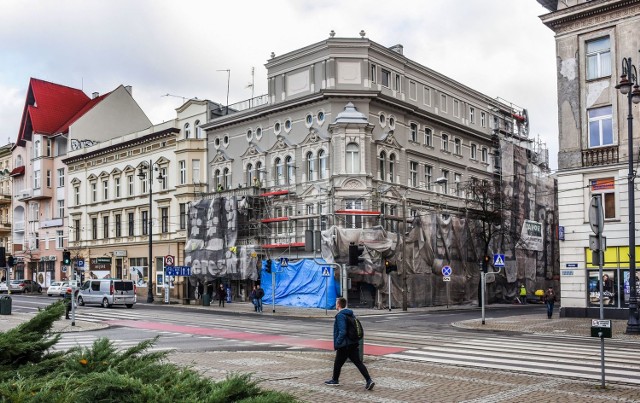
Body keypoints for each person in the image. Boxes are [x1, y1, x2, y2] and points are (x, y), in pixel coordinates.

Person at [324, 297, 375, 391]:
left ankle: (335, 380)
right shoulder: (351, 314)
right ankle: (369, 380)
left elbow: (342, 331)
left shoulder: (340, 315)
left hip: (345, 345)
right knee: (358, 363)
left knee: (338, 363)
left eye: (336, 303)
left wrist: (338, 343)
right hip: (353, 343)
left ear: (338, 304)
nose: (336, 305)